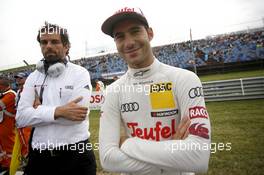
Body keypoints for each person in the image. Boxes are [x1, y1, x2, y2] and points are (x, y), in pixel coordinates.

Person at [99, 7, 211, 175]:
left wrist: (128, 144)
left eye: (135, 31)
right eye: (120, 36)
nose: (128, 42)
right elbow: (108, 159)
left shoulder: (185, 79)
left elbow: (198, 157)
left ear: (150, 34)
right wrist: (175, 156)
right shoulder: (112, 91)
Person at [16, 22, 96, 175]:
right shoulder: (33, 77)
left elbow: (77, 116)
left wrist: (38, 110)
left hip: (76, 157)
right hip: (39, 159)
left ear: (66, 46)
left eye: (54, 41)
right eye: (44, 42)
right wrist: (59, 111)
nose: (48, 46)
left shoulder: (80, 73)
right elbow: (21, 118)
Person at [9, 72, 31, 174]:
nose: (18, 79)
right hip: (20, 123)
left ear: (27, 79)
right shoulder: (18, 92)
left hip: (28, 123)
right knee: (23, 145)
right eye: (17, 78)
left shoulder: (30, 90)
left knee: (27, 145)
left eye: (20, 78)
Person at [0, 76, 16, 175]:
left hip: (8, 124)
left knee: (9, 146)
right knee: (3, 147)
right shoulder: (4, 94)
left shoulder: (10, 94)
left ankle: (11, 165)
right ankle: (5, 163)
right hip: (3, 124)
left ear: (2, 86)